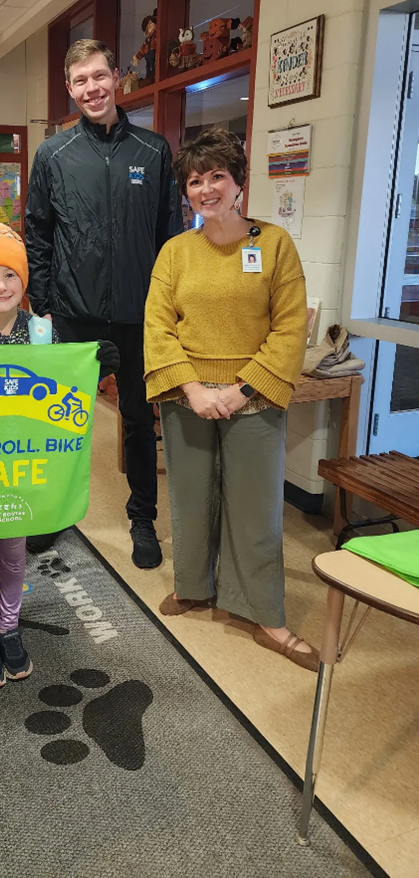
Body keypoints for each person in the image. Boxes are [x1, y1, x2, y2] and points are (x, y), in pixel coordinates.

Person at [143, 128, 318, 671]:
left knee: (256, 508)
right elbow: (158, 326)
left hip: (254, 398)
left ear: (239, 183)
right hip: (186, 394)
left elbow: (290, 328)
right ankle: (194, 587)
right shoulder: (175, 252)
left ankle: (265, 613)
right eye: (196, 180)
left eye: (218, 175)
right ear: (186, 193)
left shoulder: (274, 244)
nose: (207, 188)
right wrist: (195, 389)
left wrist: (239, 391)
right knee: (190, 500)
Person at [0, 224, 118, 688]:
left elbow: (67, 380)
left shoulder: (42, 331)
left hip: (24, 464)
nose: (0, 287)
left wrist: (95, 365)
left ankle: (9, 628)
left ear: (23, 281)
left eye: (9, 276)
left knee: (13, 554)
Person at [25, 38, 182, 568]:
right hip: (72, 314)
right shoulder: (54, 155)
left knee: (140, 419)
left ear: (116, 77)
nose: (91, 88)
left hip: (140, 318)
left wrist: (167, 309)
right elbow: (38, 234)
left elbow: (170, 238)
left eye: (99, 76)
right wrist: (43, 307)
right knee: (60, 423)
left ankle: (143, 518)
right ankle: (50, 514)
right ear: (70, 90)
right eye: (79, 81)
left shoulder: (154, 151)